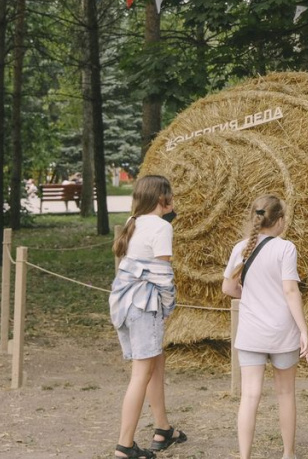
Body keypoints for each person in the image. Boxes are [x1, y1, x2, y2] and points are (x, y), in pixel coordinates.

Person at [222, 194, 308, 459]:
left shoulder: (241, 248)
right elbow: (290, 291)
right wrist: (304, 329)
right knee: (285, 393)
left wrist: (248, 295)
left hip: (251, 332)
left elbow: (227, 287)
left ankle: (244, 456)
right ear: (280, 220)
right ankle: (288, 453)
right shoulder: (286, 248)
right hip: (282, 332)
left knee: (249, 397)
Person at [109, 175, 187, 459]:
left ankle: (162, 428)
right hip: (145, 305)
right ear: (160, 199)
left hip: (124, 303)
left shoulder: (134, 222)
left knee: (156, 362)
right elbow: (163, 276)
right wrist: (168, 309)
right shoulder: (160, 227)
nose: (174, 201)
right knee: (141, 374)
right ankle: (124, 446)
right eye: (171, 195)